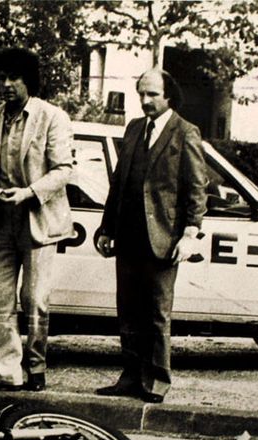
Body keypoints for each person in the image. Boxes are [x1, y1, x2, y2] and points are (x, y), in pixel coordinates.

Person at [95, 68, 207, 403]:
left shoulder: (185, 132)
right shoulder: (132, 130)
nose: (145, 101)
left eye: (152, 95)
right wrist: (106, 228)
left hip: (163, 240)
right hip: (128, 237)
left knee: (157, 313)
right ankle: (130, 377)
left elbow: (196, 190)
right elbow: (119, 183)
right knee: (128, 311)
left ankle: (157, 381)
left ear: (168, 95)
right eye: (141, 94)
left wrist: (190, 234)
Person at [0, 47, 74, 392]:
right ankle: (4, 372)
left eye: (13, 78)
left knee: (34, 299)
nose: (6, 85)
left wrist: (29, 192)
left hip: (39, 219)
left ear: (28, 80)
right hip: (0, 219)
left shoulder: (52, 117)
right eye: (1, 78)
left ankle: (36, 366)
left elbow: (64, 170)